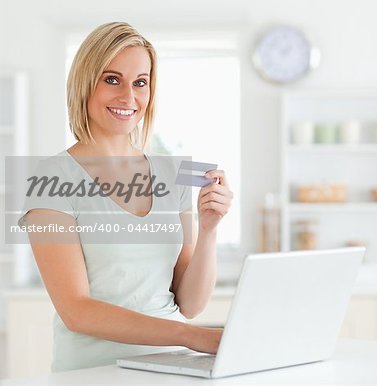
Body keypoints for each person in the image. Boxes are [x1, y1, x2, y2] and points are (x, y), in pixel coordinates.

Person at [18, 22, 233, 371]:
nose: (128, 97)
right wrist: (191, 336)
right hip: (94, 372)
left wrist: (209, 229)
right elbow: (76, 310)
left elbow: (191, 304)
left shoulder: (172, 174)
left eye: (141, 83)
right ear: (85, 83)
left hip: (171, 368)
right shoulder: (50, 177)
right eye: (112, 79)